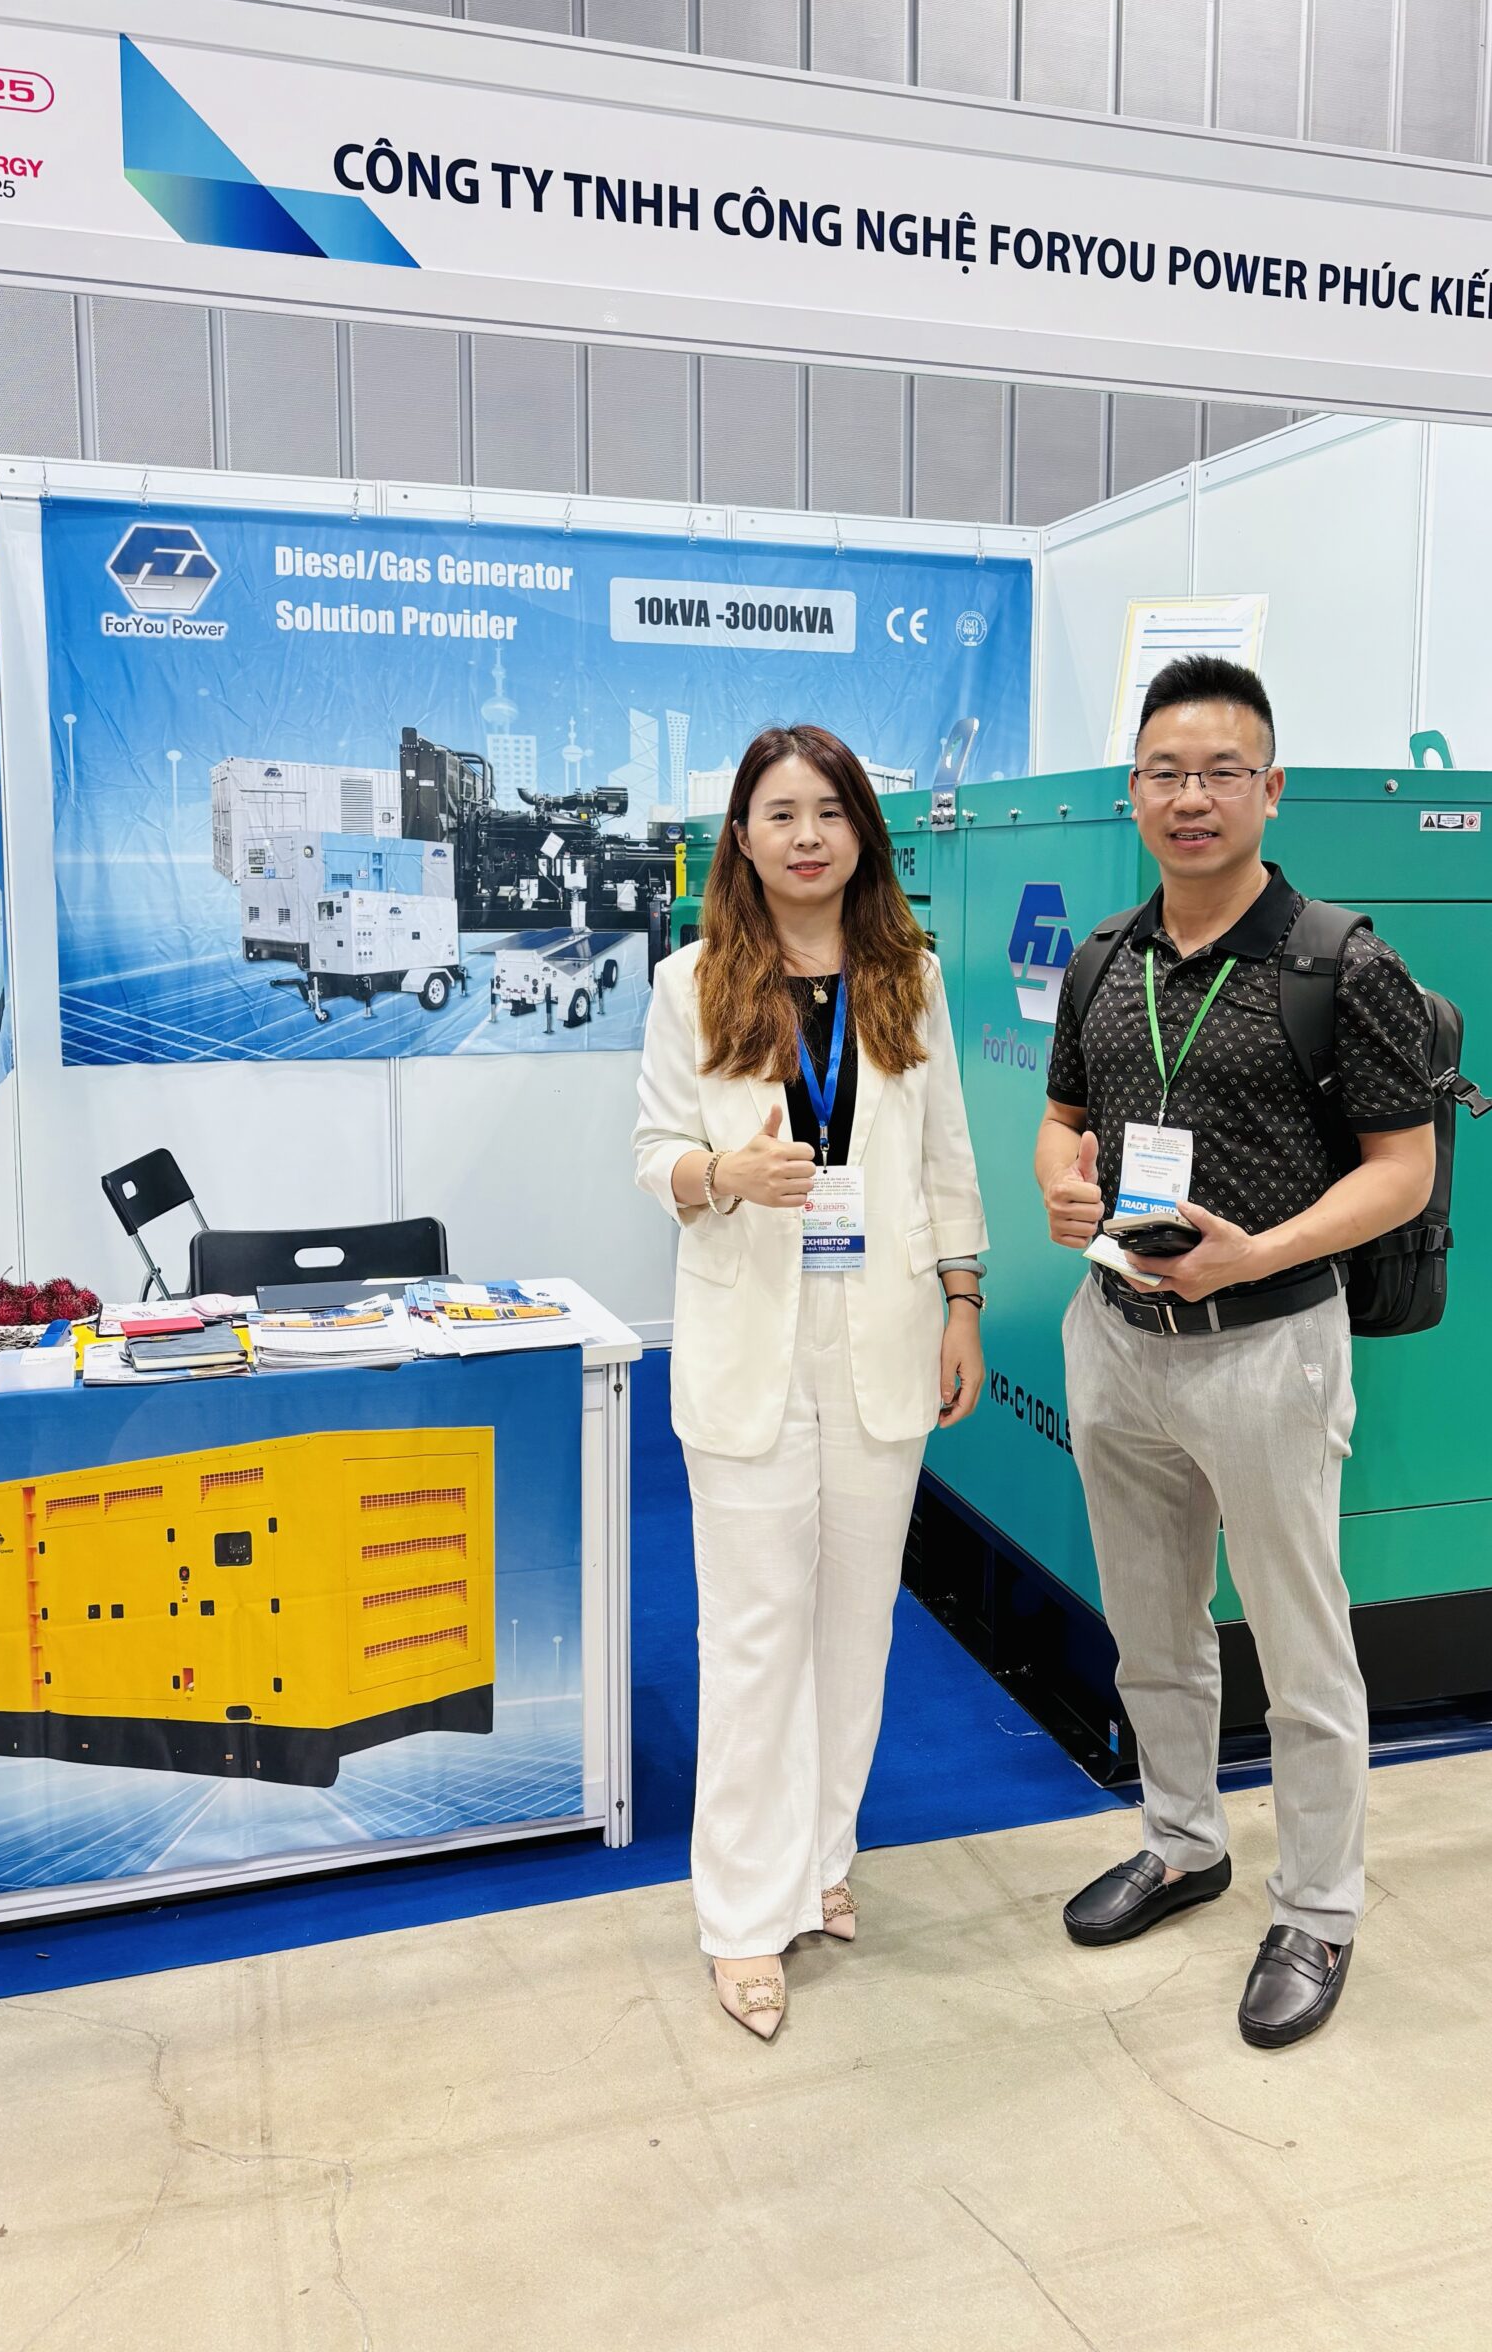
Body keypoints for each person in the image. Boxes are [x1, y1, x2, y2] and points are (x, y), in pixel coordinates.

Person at [1037, 655, 1436, 2048]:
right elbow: (1064, 1119)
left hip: (1269, 1346)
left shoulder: (1341, 963)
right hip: (1117, 1335)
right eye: (1165, 772)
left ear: (1271, 788)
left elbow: (1403, 1171)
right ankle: (1182, 1840)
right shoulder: (1105, 957)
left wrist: (1256, 1253)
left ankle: (1318, 1908)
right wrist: (1061, 1184)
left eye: (1220, 772)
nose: (1190, 797)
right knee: (1152, 1624)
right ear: (1133, 792)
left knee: (1299, 1641)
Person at [634, 723, 988, 2039]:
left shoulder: (911, 979)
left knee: (856, 1623)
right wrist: (721, 1174)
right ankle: (741, 1912)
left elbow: (948, 1156)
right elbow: (653, 1153)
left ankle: (822, 1857)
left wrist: (963, 1301)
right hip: (751, 1338)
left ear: (861, 835)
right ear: (741, 837)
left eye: (829, 813)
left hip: (882, 1332)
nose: (805, 836)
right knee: (753, 1632)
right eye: (780, 814)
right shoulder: (691, 984)